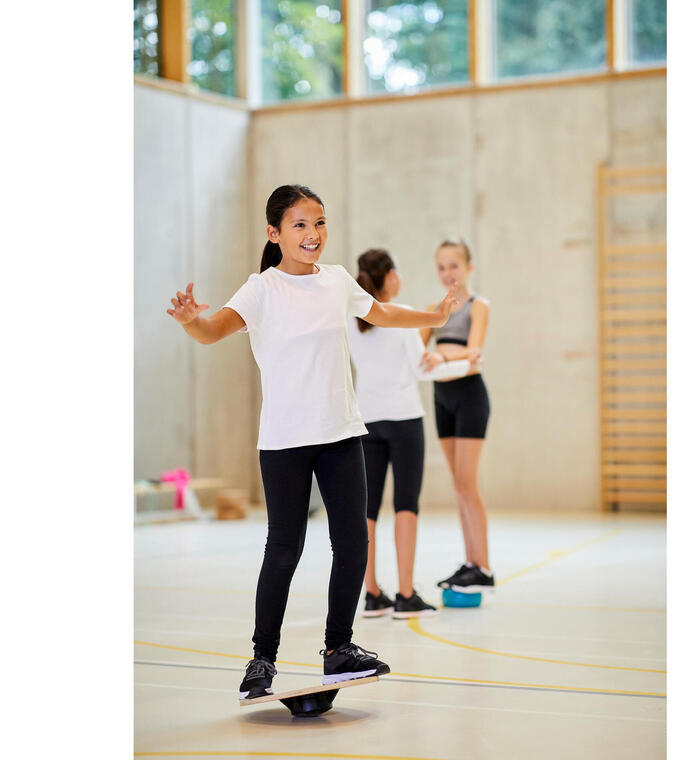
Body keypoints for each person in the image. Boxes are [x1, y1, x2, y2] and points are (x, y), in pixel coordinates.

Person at [166, 185, 460, 699]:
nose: (313, 234)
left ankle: (339, 648)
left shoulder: (338, 281)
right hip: (283, 440)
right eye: (301, 225)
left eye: (320, 223)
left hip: (341, 433)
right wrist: (192, 320)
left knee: (352, 544)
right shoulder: (261, 289)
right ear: (274, 233)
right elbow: (213, 331)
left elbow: (382, 314)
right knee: (285, 548)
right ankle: (262, 660)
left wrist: (433, 317)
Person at [348, 249, 481, 619]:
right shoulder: (401, 317)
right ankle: (406, 595)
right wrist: (464, 362)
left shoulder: (352, 319)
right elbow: (424, 371)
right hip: (404, 422)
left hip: (366, 422)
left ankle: (372, 594)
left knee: (368, 510)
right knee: (406, 506)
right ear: (390, 276)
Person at [420, 238, 494, 594]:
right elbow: (415, 348)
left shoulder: (479, 305)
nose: (448, 273)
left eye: (454, 265)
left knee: (468, 483)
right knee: (458, 485)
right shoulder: (434, 308)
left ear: (468, 268)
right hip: (441, 397)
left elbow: (474, 353)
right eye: (442, 267)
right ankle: (470, 562)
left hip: (469, 396)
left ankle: (484, 565)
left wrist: (442, 357)